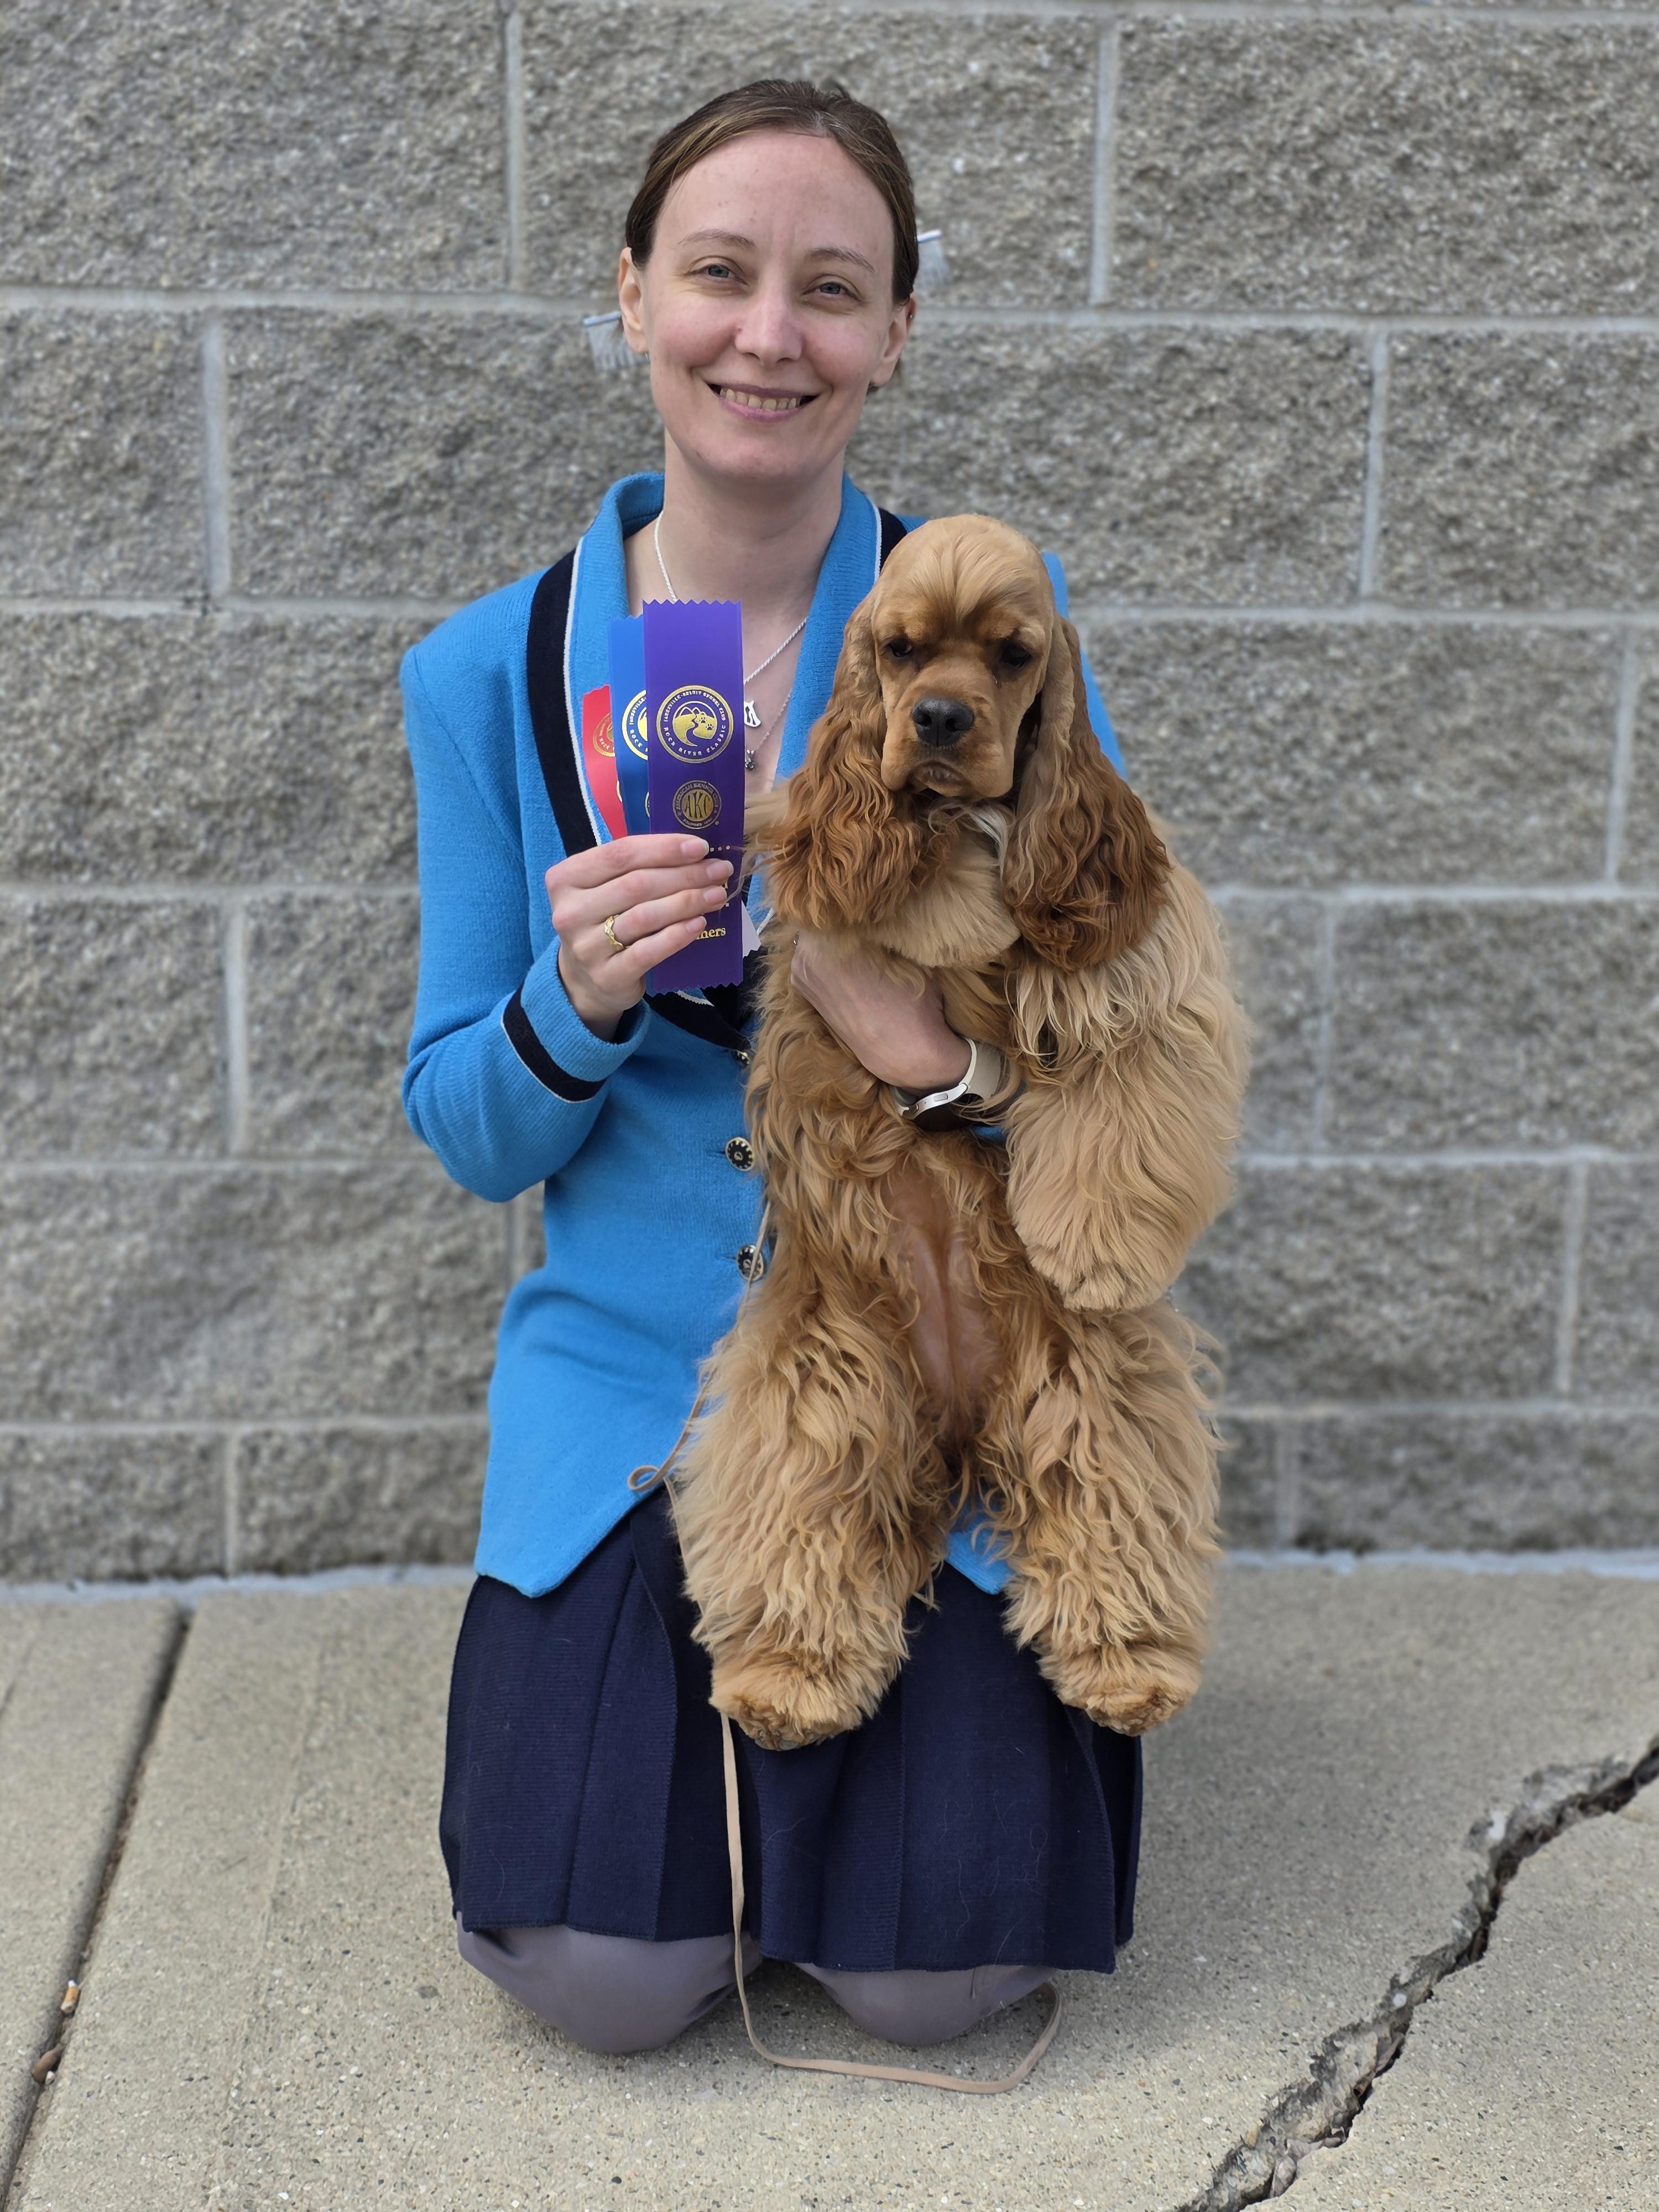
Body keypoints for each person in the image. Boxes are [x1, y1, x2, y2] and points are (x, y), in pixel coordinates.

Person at [403, 78, 1139, 2059]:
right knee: (599, 1978)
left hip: (930, 1363)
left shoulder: (990, 635)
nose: (768, 334)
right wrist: (572, 1000)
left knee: (938, 1982)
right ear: (632, 293)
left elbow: (1115, 1045)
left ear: (896, 330)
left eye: (831, 287)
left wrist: (930, 1059)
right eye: (719, 273)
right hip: (637, 1397)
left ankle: (877, 1790)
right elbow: (467, 1127)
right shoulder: (485, 674)